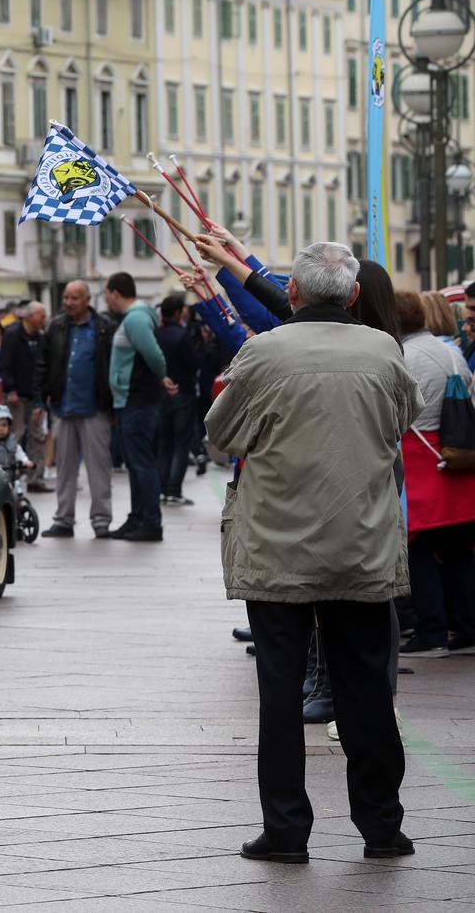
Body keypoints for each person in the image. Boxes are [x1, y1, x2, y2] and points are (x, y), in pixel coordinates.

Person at [206, 242, 420, 864]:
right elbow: (403, 422)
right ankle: (382, 826)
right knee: (367, 694)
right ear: (353, 296)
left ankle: (287, 831)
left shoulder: (263, 352)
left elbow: (221, 433)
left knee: (280, 695)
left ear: (292, 294)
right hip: (362, 546)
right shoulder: (385, 352)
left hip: (278, 549)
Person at [395, 290, 475, 657]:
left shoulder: (406, 357)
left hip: (422, 459)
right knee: (459, 549)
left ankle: (432, 631)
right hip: (457, 458)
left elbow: (399, 413)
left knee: (420, 550)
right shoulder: (453, 350)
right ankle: (467, 628)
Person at [39, 280, 117, 538]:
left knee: (99, 468)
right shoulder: (56, 326)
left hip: (95, 408)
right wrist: (42, 398)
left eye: (74, 298)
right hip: (63, 405)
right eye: (66, 298)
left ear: (87, 300)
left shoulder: (104, 327)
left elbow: (112, 367)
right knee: (64, 468)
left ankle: (101, 520)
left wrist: (113, 404)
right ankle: (63, 519)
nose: (69, 302)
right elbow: (43, 363)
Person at [105, 273, 174, 542]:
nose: (106, 299)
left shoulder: (134, 318)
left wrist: (161, 375)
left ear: (115, 292)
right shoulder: (135, 317)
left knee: (142, 463)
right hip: (132, 400)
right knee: (136, 463)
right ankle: (137, 518)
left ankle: (151, 522)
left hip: (137, 400)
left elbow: (154, 354)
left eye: (106, 293)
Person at [0, 302, 49, 491]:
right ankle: (11, 477)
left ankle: (36, 478)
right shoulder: (12, 335)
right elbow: (4, 364)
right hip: (16, 396)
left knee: (38, 437)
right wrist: (10, 389)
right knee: (14, 436)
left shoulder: (42, 338)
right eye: (41, 316)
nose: (44, 320)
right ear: (29, 316)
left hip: (35, 396)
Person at [157, 294, 201, 507]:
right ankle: (174, 490)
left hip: (162, 394)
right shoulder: (183, 335)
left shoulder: (156, 334)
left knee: (164, 443)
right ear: (177, 313)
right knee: (181, 444)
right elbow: (193, 363)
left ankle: (162, 489)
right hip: (183, 392)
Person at [0, 404, 33, 473]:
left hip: (12, 476)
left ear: (9, 426)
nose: (1, 429)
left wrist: (26, 461)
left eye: (4, 425)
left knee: (19, 482)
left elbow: (19, 453)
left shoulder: (12, 441)